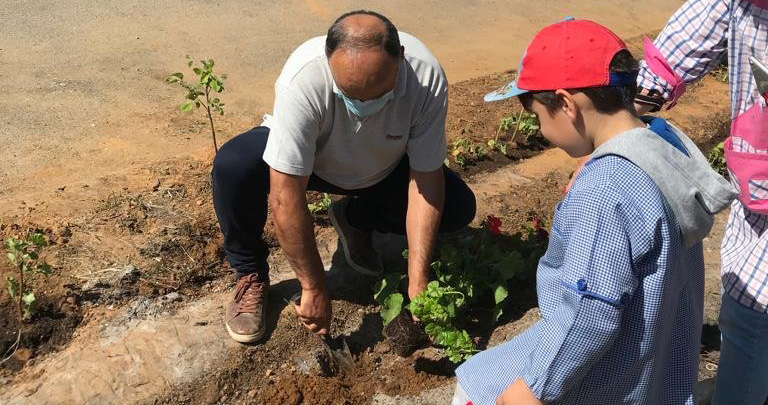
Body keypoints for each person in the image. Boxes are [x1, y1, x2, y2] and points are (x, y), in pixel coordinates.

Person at [453, 19, 735, 404]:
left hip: (600, 376)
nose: (542, 132)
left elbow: (590, 309)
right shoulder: (661, 144)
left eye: (538, 116)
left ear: (567, 104)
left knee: (474, 387)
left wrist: (533, 388)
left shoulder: (605, 189)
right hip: (653, 368)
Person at [211, 10, 476, 343]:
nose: (362, 105)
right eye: (349, 96)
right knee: (234, 166)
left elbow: (426, 180)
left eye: (377, 94)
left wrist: (417, 282)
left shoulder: (425, 78)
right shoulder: (304, 77)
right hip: (317, 164)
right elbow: (285, 196)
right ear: (328, 60)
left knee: (458, 208)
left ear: (400, 62)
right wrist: (313, 286)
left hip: (382, 166)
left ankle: (354, 217)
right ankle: (250, 272)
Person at [633, 2, 768, 403]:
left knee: (753, 314)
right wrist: (615, 133)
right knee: (747, 311)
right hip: (760, 189)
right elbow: (672, 56)